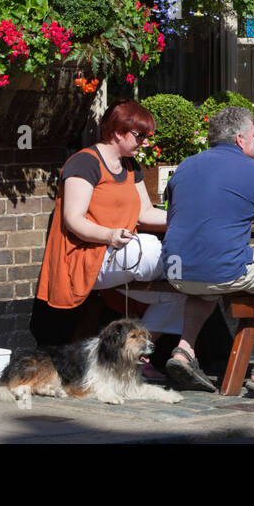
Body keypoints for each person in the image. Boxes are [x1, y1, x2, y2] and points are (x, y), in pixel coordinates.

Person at [163, 106, 254, 399]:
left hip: (175, 270)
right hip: (224, 268)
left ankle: (184, 350)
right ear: (241, 139)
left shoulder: (185, 166)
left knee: (203, 285)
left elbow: (173, 217)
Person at [35, 100, 186, 344]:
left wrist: (188, 220)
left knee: (183, 286)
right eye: (140, 135)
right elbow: (72, 219)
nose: (145, 141)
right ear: (117, 132)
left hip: (118, 255)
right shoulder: (84, 163)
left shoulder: (130, 165)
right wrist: (109, 235)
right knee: (148, 249)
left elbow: (145, 212)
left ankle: (134, 354)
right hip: (86, 256)